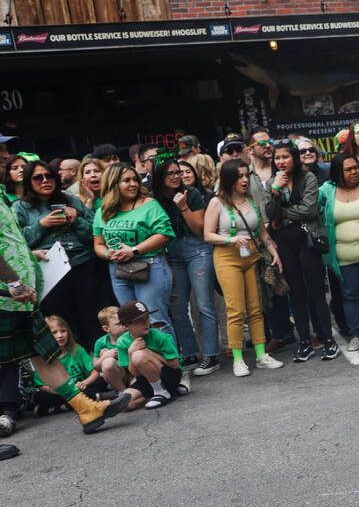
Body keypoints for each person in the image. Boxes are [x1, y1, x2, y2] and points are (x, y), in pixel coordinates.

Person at [0, 207, 130, 435]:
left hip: (19, 301)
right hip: (8, 297)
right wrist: (12, 282)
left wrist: (28, 259)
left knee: (44, 355)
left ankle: (87, 409)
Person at [15, 159, 111, 349]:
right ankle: (76, 367)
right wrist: (41, 225)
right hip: (50, 268)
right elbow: (18, 243)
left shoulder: (71, 199)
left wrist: (76, 221)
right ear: (28, 181)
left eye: (49, 176)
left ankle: (100, 362)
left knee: (91, 315)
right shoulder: (20, 207)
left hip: (82, 263)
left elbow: (96, 234)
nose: (45, 180)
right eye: (38, 178)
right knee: (62, 319)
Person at [202, 159, 285, 377]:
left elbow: (263, 234)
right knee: (236, 310)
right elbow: (207, 234)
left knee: (256, 308)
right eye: (239, 176)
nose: (245, 180)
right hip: (227, 257)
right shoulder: (216, 202)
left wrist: (274, 253)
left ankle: (261, 355)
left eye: (246, 175)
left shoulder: (252, 200)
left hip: (252, 255)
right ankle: (238, 359)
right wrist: (229, 240)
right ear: (229, 180)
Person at [262, 141, 337, 361]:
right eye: (277, 158)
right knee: (296, 294)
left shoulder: (308, 178)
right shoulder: (271, 183)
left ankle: (328, 340)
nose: (281, 162)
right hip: (284, 241)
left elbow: (308, 210)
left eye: (285, 157)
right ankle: (304, 341)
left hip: (307, 237)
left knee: (316, 291)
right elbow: (270, 213)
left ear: (294, 157)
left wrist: (283, 214)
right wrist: (275, 190)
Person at [91, 163, 177, 341]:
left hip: (150, 266)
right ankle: (148, 366)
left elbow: (164, 234)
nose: (133, 184)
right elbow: (98, 243)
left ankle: (170, 367)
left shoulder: (149, 204)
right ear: (113, 184)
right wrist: (108, 254)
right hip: (119, 271)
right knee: (132, 323)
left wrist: (134, 250)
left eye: (135, 180)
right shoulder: (103, 211)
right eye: (126, 181)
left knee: (155, 321)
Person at [152, 156, 220, 376]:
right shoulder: (154, 199)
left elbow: (199, 229)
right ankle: (190, 352)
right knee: (177, 308)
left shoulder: (192, 194)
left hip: (197, 249)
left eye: (178, 172)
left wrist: (182, 207)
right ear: (160, 177)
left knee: (204, 304)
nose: (176, 177)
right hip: (170, 254)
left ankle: (211, 355)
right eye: (170, 173)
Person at [318, 151, 359, 351]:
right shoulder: (326, 191)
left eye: (355, 167)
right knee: (350, 296)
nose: (354, 172)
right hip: (342, 257)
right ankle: (355, 335)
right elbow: (313, 209)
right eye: (348, 169)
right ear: (338, 172)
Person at [110, 300, 185, 410]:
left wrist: (148, 352)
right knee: (126, 404)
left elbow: (174, 364)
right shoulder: (122, 342)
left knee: (138, 355)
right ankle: (168, 392)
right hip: (145, 378)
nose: (146, 323)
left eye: (147, 318)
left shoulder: (160, 336)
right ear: (126, 326)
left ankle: (161, 392)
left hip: (169, 374)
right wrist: (130, 353)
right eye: (139, 321)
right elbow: (135, 373)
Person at [31, 314, 104, 415]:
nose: (60, 335)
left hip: (80, 388)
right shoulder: (43, 359)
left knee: (100, 381)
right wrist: (59, 391)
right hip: (60, 393)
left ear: (68, 332)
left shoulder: (77, 350)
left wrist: (84, 383)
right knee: (40, 396)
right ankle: (79, 402)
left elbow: (94, 372)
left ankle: (58, 408)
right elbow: (42, 386)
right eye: (54, 332)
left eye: (63, 331)